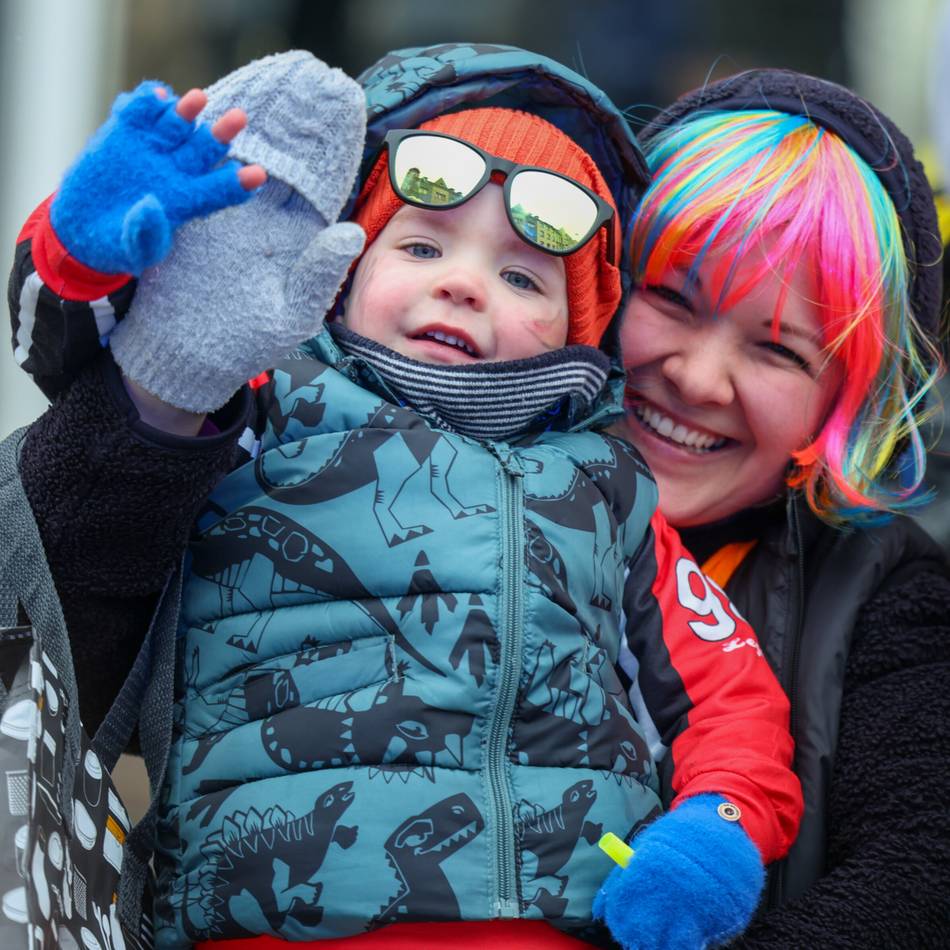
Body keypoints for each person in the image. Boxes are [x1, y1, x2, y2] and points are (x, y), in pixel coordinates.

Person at [6, 47, 802, 949]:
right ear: (344, 273)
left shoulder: (611, 493)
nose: (462, 283)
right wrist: (83, 246)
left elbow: (733, 701)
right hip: (265, 920)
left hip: (549, 928)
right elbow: (100, 395)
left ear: (578, 335)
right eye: (421, 244)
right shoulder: (261, 404)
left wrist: (717, 834)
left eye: (521, 278)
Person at [614, 68, 950, 948]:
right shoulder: (411, 465)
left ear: (847, 403)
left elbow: (917, 877)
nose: (695, 377)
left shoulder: (889, 602)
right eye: (669, 298)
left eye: (776, 349)